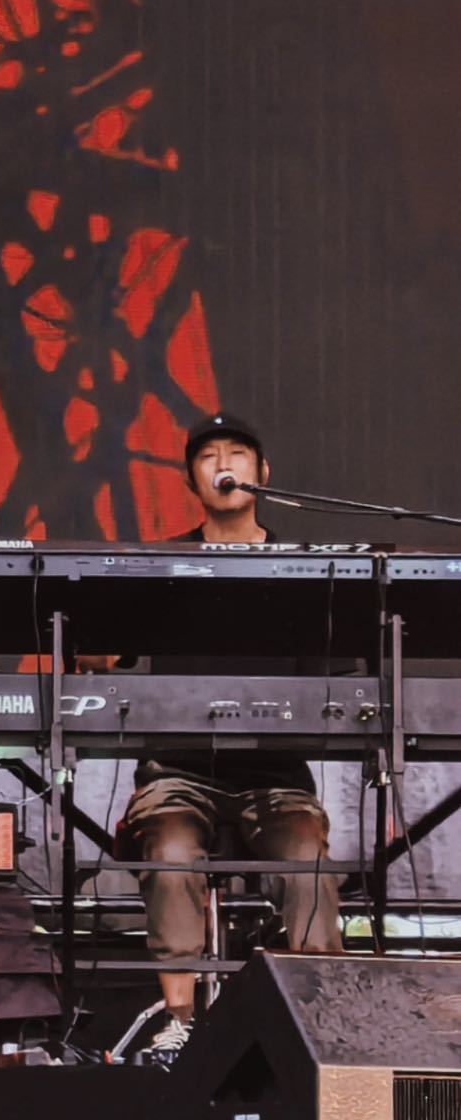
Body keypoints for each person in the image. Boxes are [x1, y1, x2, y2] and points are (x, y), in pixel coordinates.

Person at [122, 413, 343, 1058]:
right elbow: (108, 658)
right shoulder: (159, 567)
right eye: (208, 455)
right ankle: (180, 1020)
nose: (224, 464)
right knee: (170, 852)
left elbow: (339, 681)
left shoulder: (307, 570)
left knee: (307, 861)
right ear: (191, 479)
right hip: (176, 775)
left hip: (277, 780)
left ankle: (321, 1027)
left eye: (238, 453)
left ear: (262, 474)